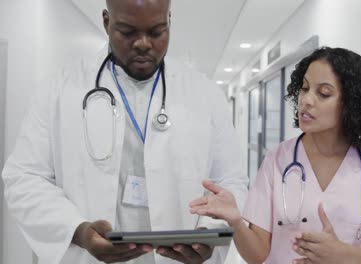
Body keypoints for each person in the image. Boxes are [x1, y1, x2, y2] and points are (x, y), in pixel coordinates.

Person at [1, 0, 248, 263]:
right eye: (128, 32)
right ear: (107, 22)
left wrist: (209, 233)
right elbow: (24, 178)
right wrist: (77, 230)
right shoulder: (58, 90)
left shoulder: (206, 94)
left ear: (170, 21)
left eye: (156, 31)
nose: (143, 43)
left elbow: (232, 181)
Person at [190, 47, 361, 264]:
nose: (306, 100)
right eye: (304, 88)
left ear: (350, 105)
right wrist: (236, 223)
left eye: (323, 93)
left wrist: (340, 254)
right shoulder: (277, 160)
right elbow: (256, 255)